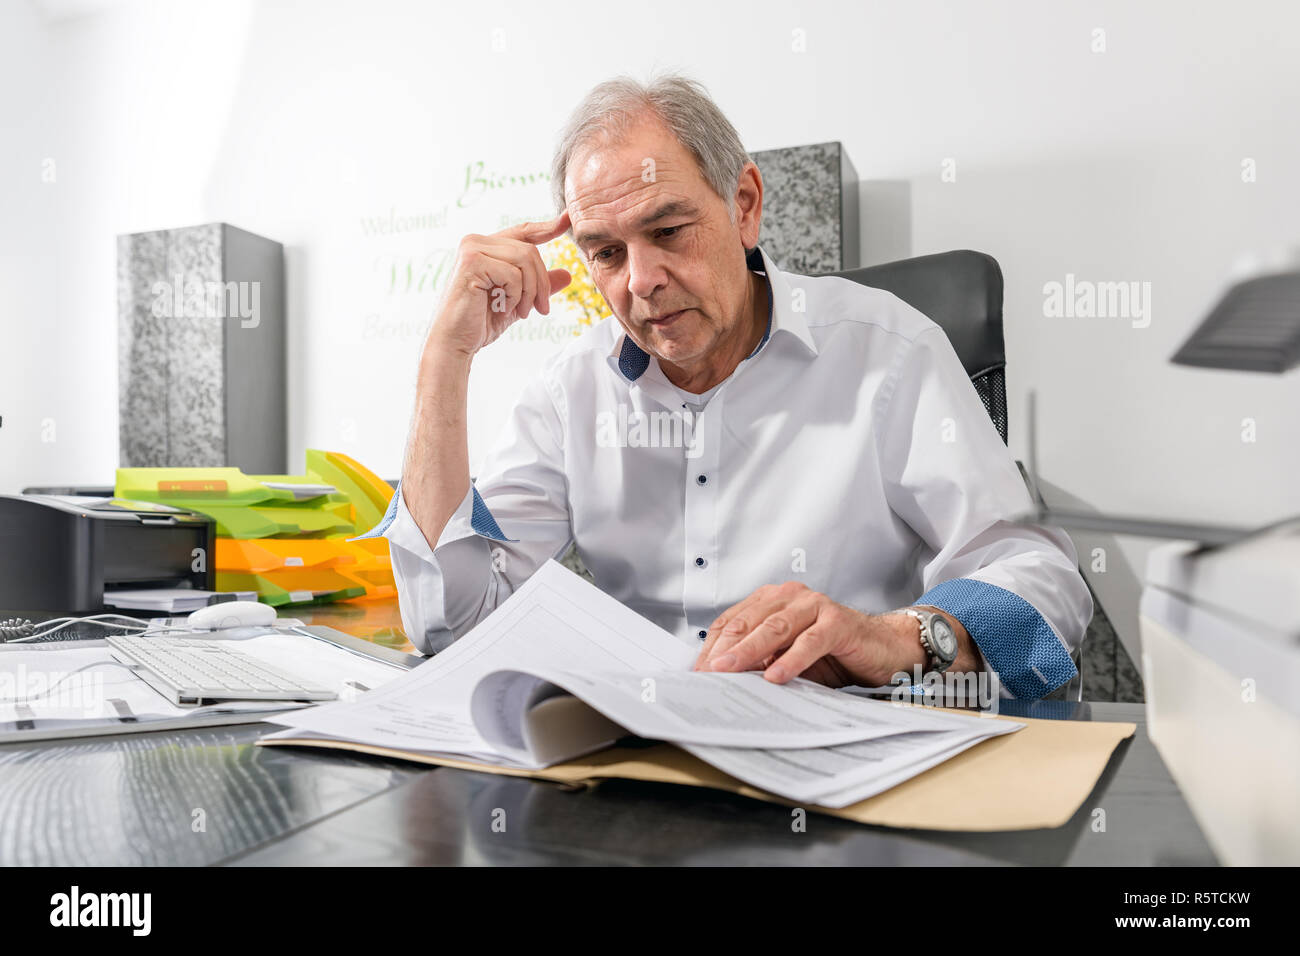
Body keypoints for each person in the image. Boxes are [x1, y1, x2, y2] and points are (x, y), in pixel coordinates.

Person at [359, 73, 1092, 699]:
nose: (640, 280)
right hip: (643, 776)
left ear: (744, 205)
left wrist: (901, 637)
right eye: (607, 253)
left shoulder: (889, 353)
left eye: (670, 232)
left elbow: (1044, 582)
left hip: (843, 760)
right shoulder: (568, 393)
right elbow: (453, 627)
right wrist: (444, 358)